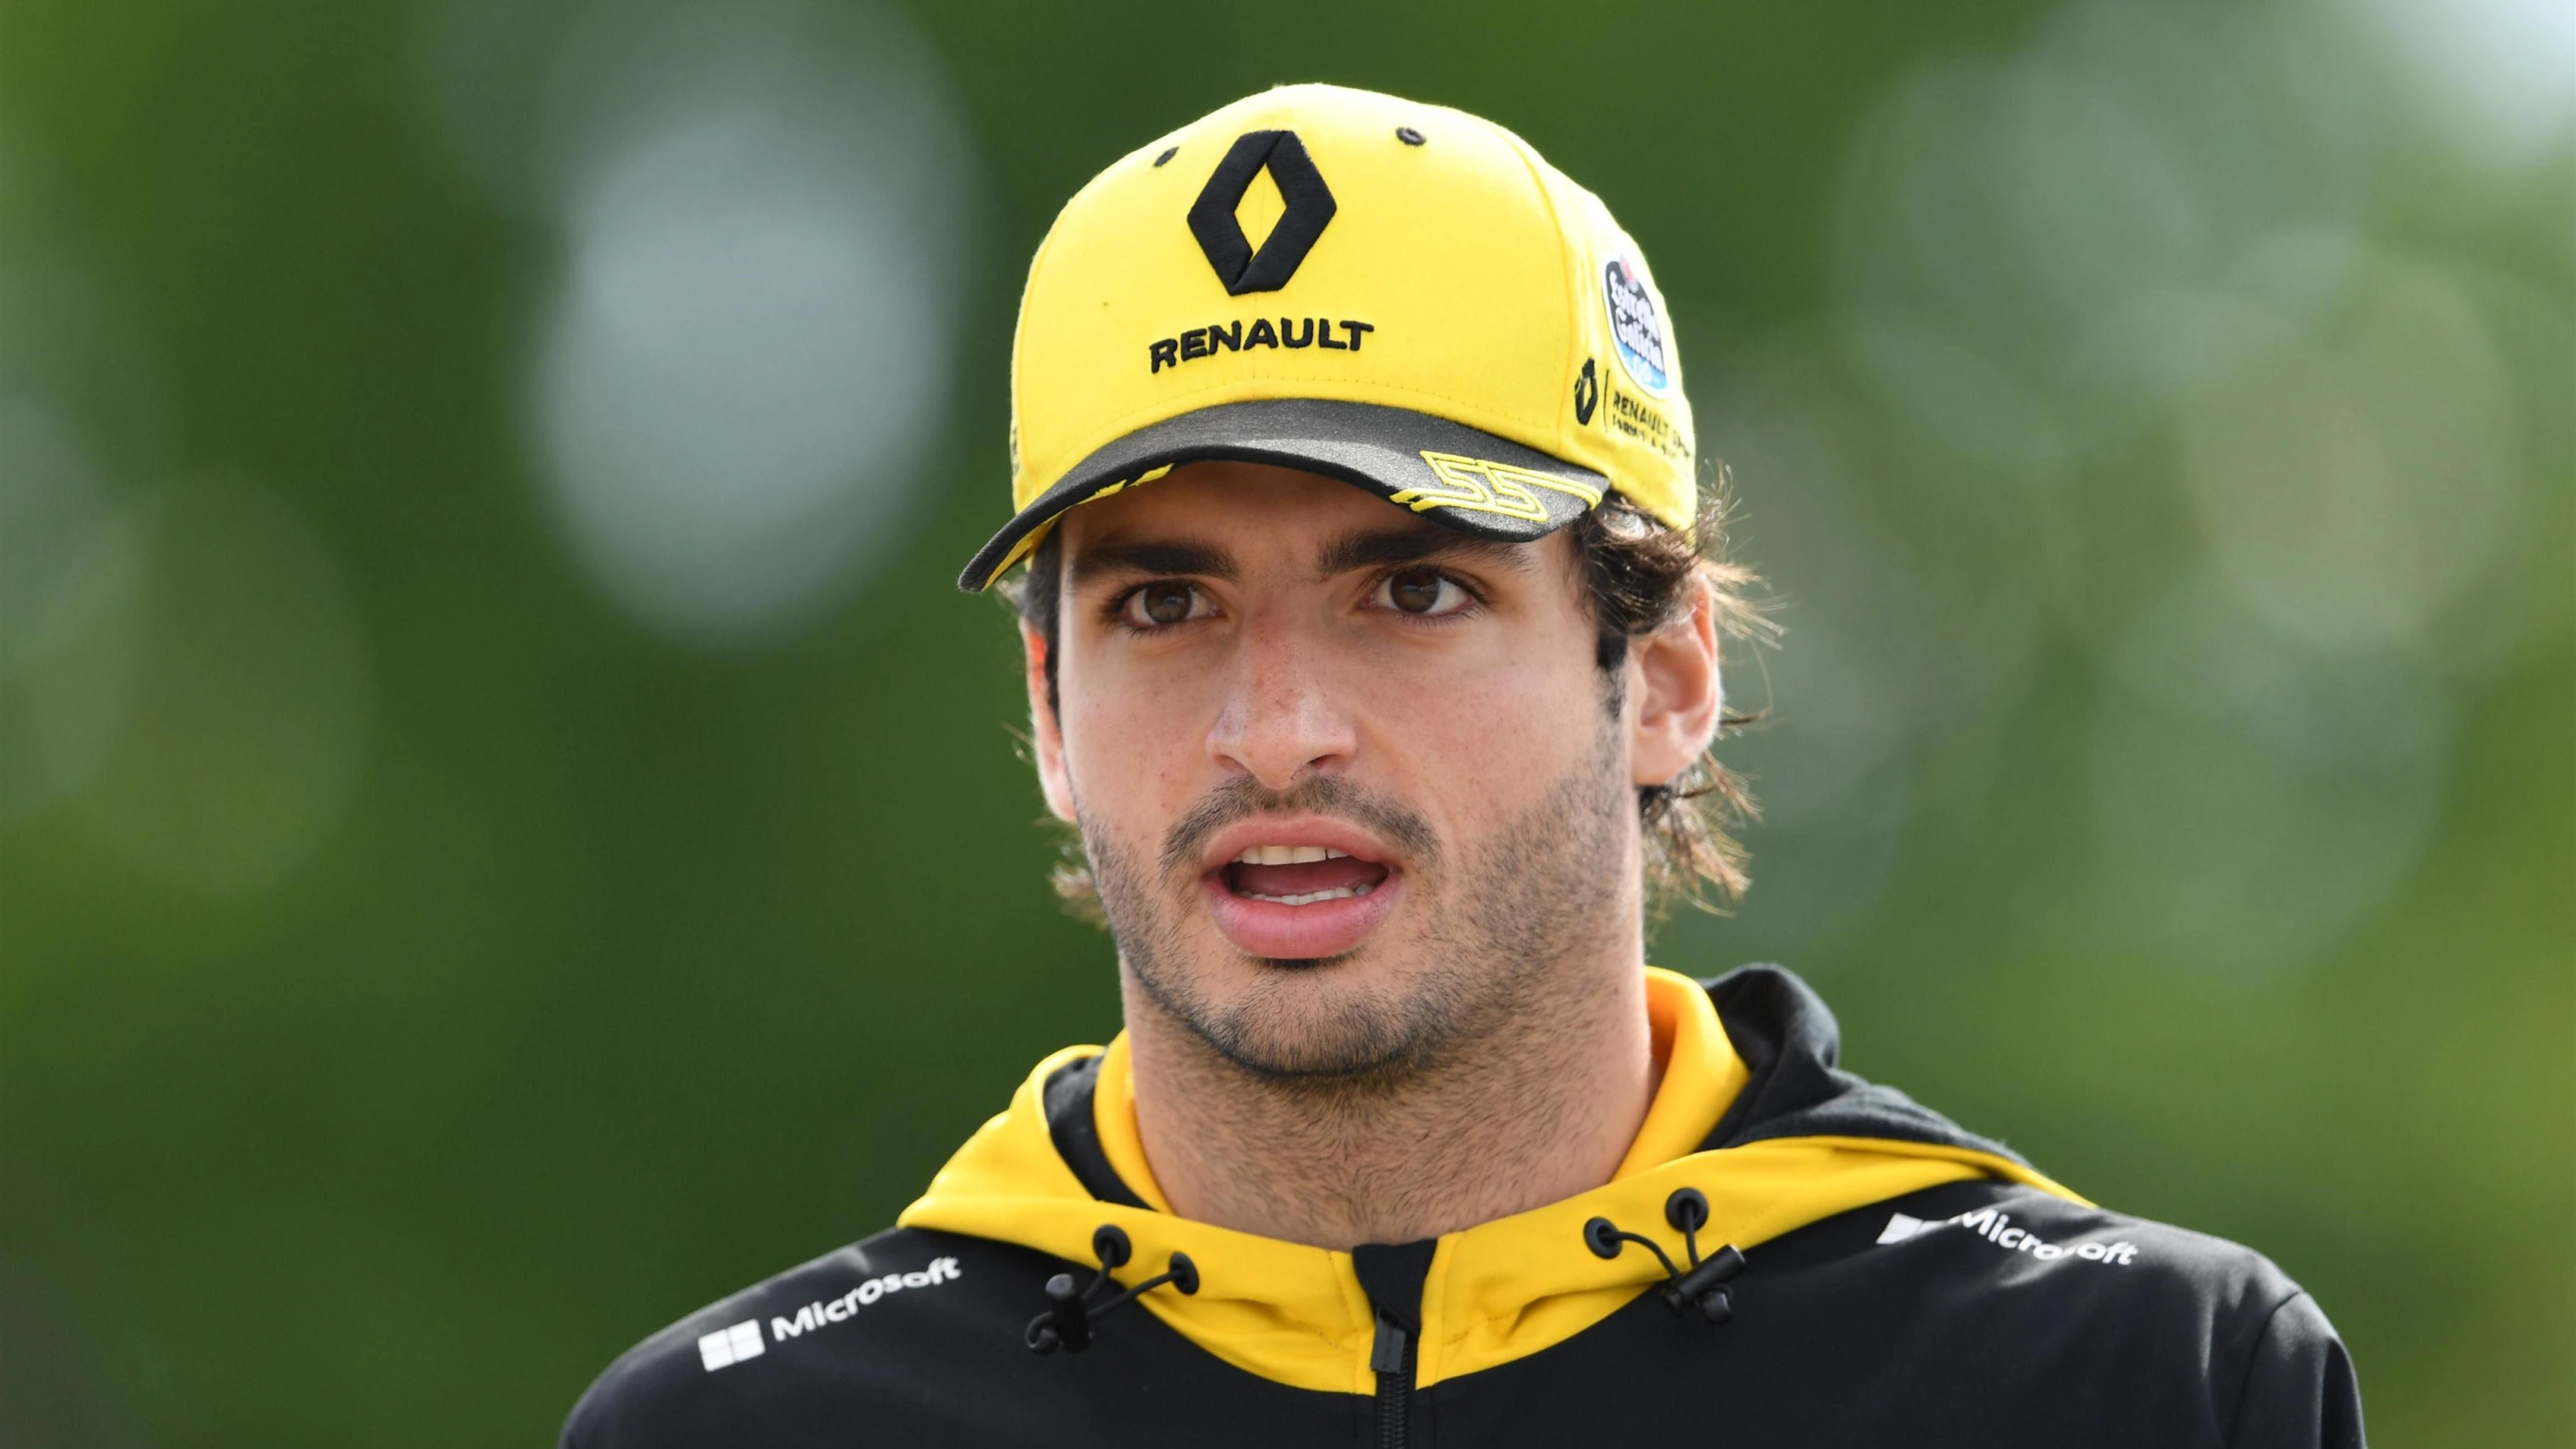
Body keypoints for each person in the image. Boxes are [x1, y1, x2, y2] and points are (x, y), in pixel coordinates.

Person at [560, 84, 2363, 1447]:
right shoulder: (737, 1432)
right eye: (1166, 605)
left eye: (1413, 591)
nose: (1277, 733)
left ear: (1662, 678)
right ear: (1047, 707)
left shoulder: (2136, 1385)